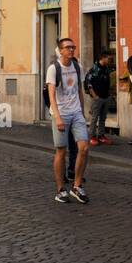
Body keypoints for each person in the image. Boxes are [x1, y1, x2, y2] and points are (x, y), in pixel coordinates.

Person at [48, 38, 90, 204]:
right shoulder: (54, 68)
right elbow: (51, 94)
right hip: (61, 114)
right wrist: (57, 116)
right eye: (68, 47)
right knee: (61, 151)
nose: (72, 50)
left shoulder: (77, 67)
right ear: (61, 50)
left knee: (84, 148)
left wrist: (81, 110)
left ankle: (77, 185)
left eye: (73, 47)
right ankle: (60, 190)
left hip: (76, 112)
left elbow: (79, 89)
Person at [85, 50, 116, 145]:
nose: (110, 59)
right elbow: (89, 84)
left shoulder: (106, 68)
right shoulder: (94, 69)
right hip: (98, 98)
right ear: (102, 58)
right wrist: (95, 96)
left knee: (103, 118)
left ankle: (101, 136)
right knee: (94, 118)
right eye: (108, 58)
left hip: (106, 97)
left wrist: (110, 94)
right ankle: (92, 136)